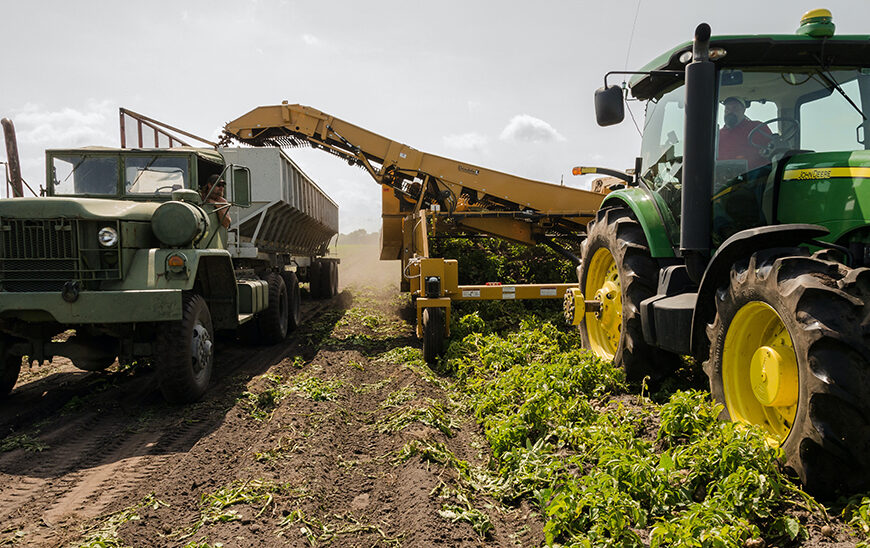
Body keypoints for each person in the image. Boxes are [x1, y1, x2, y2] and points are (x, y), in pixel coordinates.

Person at [717, 96, 772, 170]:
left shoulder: (758, 127)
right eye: (727, 109)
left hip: (757, 177)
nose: (730, 112)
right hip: (724, 178)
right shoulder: (718, 136)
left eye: (735, 108)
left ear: (743, 110)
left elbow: (773, 148)